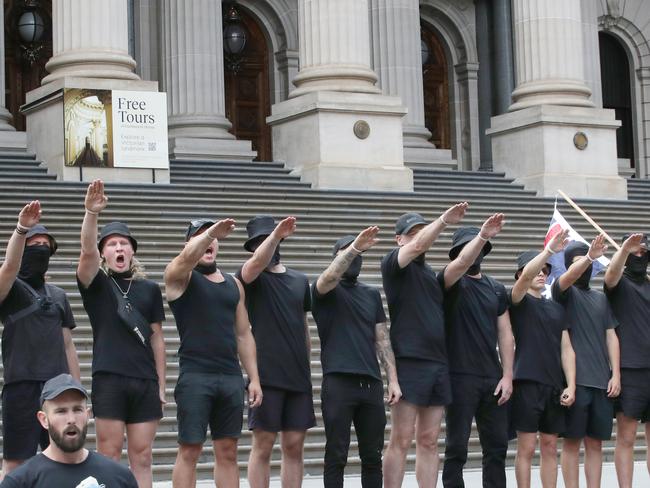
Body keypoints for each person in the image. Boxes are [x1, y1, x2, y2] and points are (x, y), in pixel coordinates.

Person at [77, 180, 166, 488]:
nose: (119, 248)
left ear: (132, 250)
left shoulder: (150, 289)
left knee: (142, 457)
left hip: (144, 381)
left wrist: (162, 385)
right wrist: (91, 213)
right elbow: (86, 251)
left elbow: (157, 339)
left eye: (123, 243)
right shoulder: (96, 284)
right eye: (112, 244)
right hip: (109, 378)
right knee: (109, 455)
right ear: (104, 253)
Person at [165, 217, 262, 488]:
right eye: (199, 236)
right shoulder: (178, 276)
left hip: (230, 377)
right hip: (196, 376)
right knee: (190, 450)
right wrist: (207, 236)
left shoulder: (234, 284)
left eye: (211, 236)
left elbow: (243, 333)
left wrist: (253, 378)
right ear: (188, 244)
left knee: (228, 451)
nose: (208, 240)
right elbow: (185, 260)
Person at [381, 203, 470, 488]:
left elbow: (461, 265)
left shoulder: (432, 276)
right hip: (409, 361)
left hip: (438, 363)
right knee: (401, 438)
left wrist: (481, 237)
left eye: (421, 230)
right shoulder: (393, 263)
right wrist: (444, 219)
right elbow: (418, 246)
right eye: (412, 233)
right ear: (400, 239)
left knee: (429, 440)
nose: (419, 236)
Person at [312, 227, 401, 488]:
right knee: (337, 454)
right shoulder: (325, 291)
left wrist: (392, 380)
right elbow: (328, 277)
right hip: (339, 382)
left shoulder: (371, 294)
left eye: (361, 252)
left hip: (370, 384)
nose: (355, 257)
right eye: (350, 253)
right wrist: (353, 249)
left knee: (372, 456)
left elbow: (382, 339)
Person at [0, 201, 79, 478]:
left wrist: (77, 387)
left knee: (65, 458)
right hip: (21, 386)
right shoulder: (9, 288)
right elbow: (10, 265)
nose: (41, 248)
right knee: (15, 462)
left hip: (58, 388)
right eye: (35, 243)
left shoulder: (58, 295)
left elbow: (68, 344)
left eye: (46, 244)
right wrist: (22, 229)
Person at [237, 215, 315, 488]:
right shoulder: (249, 276)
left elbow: (303, 326)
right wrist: (274, 237)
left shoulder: (298, 280)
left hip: (297, 374)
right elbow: (256, 263)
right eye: (258, 242)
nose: (266, 247)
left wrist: (306, 368)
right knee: (264, 444)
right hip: (266, 374)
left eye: (269, 239)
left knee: (294, 445)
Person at [441, 219, 514, 488]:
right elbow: (459, 265)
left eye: (478, 247)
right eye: (467, 248)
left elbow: (505, 333)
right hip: (459, 376)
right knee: (456, 447)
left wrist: (507, 376)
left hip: (492, 378)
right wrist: (481, 236)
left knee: (496, 448)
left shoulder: (495, 288)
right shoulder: (450, 280)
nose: (473, 253)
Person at [509, 230, 577, 488]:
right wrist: (548, 251)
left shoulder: (556, 308)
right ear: (520, 274)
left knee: (550, 447)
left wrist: (570, 384)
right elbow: (526, 277)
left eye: (545, 270)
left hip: (553, 385)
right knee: (526, 447)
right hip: (526, 382)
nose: (541, 273)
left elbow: (567, 348)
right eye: (536, 269)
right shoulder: (518, 300)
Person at [551, 236, 620, 488]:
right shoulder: (563, 292)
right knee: (571, 443)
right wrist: (589, 256)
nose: (583, 268)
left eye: (587, 262)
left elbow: (611, 335)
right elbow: (567, 278)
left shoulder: (601, 298)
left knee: (596, 444)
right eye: (577, 262)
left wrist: (616, 374)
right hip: (575, 382)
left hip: (601, 382)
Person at [0, 373, 138, 487]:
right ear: (44, 419)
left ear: (87, 415)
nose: (71, 419)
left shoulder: (120, 477)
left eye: (77, 410)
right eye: (61, 411)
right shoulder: (20, 482)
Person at [604, 233, 650, 488]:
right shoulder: (618, 283)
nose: (639, 257)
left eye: (644, 253)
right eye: (635, 252)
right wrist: (624, 250)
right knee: (627, 437)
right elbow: (610, 274)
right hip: (630, 369)